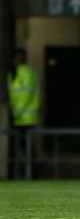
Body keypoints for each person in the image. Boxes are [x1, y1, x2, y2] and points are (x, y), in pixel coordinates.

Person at [7, 48, 40, 178]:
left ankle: (32, 172)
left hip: (26, 117)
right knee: (23, 147)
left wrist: (16, 112)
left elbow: (26, 95)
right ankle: (28, 171)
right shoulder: (11, 74)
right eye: (16, 57)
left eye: (21, 57)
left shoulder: (28, 73)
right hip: (18, 118)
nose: (18, 60)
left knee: (27, 146)